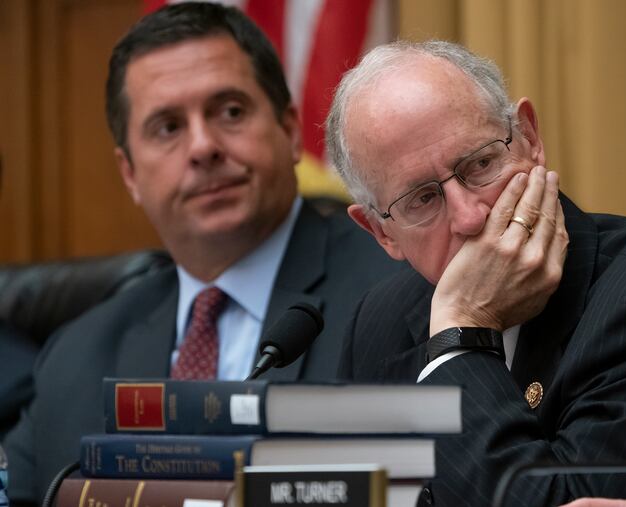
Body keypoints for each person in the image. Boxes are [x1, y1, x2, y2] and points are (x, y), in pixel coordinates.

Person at [326, 40, 626, 506]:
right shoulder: (380, 322)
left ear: (530, 139)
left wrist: (462, 335)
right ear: (381, 232)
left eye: (481, 164)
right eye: (423, 199)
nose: (470, 216)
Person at [2, 3, 402, 504]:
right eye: (167, 127)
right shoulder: (75, 357)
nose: (203, 146)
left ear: (291, 131)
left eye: (230, 112)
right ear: (130, 175)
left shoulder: (397, 294)